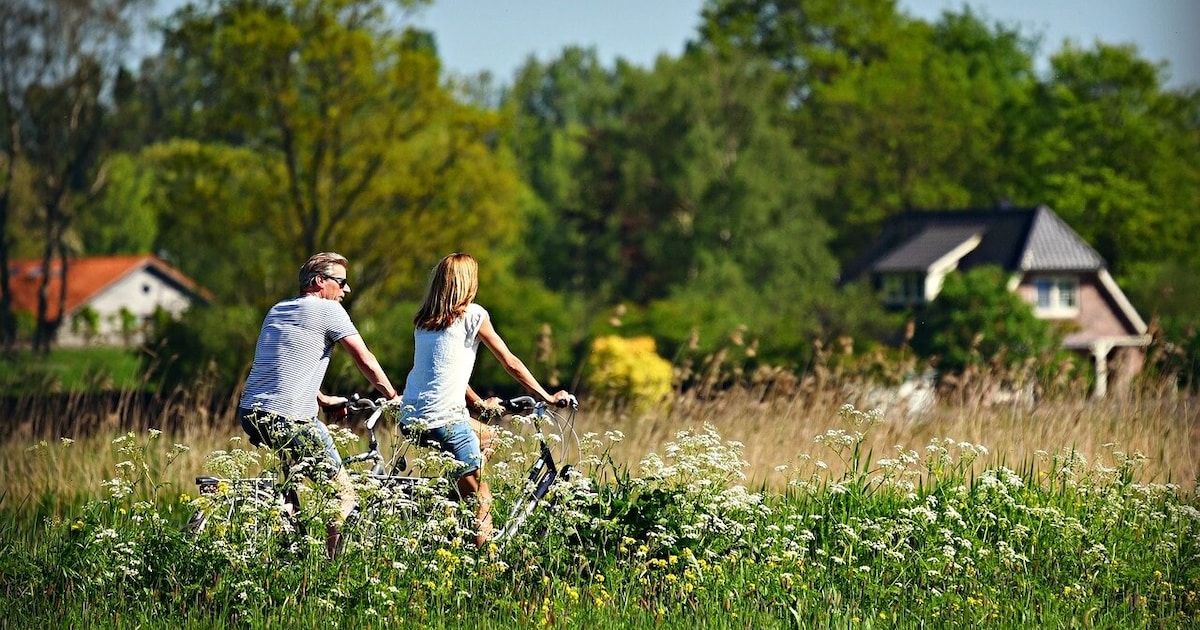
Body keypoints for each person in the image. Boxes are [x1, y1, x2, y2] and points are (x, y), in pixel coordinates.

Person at [400, 252, 574, 547]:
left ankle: (453, 500)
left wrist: (478, 403)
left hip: (411, 416)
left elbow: (443, 371)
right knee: (482, 500)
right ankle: (485, 570)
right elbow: (510, 362)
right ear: (469, 283)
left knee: (489, 435)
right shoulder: (473, 315)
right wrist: (547, 396)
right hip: (445, 419)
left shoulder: (424, 321)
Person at [238, 252, 399, 558]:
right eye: (341, 282)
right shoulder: (329, 311)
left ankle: (288, 552)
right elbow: (364, 359)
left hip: (251, 412)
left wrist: (323, 399)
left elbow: (284, 366)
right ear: (319, 282)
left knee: (290, 490)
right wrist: (392, 396)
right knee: (343, 495)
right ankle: (330, 569)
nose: (346, 290)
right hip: (289, 417)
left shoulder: (277, 310)